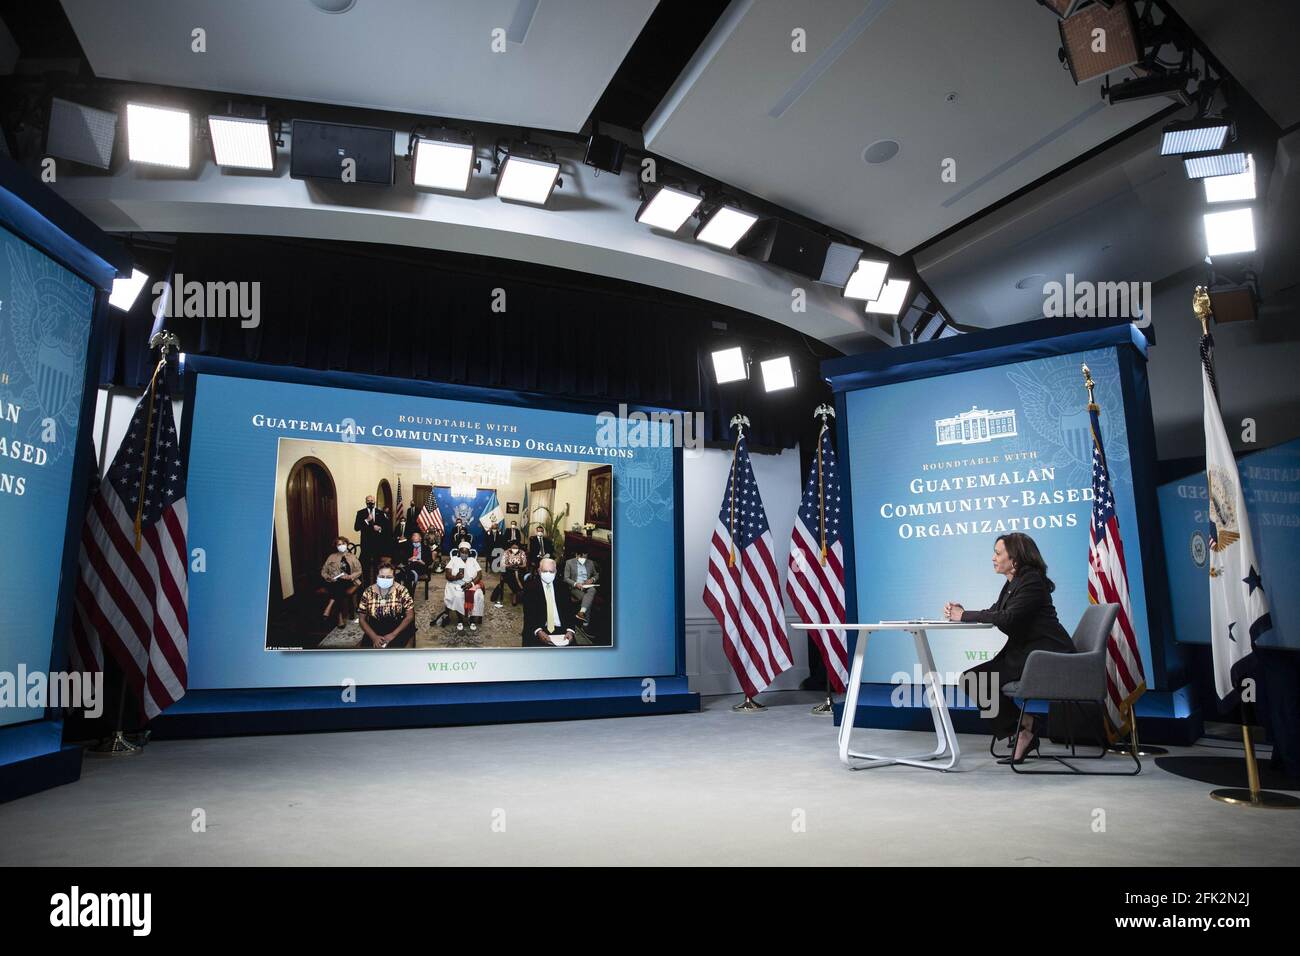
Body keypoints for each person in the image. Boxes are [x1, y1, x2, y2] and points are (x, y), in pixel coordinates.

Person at [946, 533, 1075, 764]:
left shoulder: (1032, 581)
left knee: (975, 680)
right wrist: (963, 613)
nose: (993, 558)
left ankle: (1025, 728)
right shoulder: (1013, 583)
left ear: (1014, 557)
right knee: (972, 679)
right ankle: (1026, 726)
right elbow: (996, 611)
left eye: (998, 553)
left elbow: (1008, 617)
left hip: (1046, 656)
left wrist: (964, 615)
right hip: (1025, 653)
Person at [356, 561, 415, 648]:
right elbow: (362, 619)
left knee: (393, 656)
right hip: (374, 628)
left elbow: (410, 616)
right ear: (376, 576)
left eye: (389, 577)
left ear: (394, 577)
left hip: (397, 627)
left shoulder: (402, 591)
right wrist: (374, 637)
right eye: (382, 576)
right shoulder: (368, 592)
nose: (385, 579)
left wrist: (393, 635)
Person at [521, 557, 577, 647]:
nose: (548, 574)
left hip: (562, 629)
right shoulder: (530, 588)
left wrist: (570, 630)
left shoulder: (562, 587)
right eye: (544, 571)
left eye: (551, 572)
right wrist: (539, 631)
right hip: (538, 627)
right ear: (539, 571)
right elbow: (529, 614)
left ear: (555, 572)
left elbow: (569, 611)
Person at [319, 536, 362, 629]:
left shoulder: (352, 557)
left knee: (339, 585)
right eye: (339, 544)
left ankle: (330, 607)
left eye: (343, 544)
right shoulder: (332, 557)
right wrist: (329, 577)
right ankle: (339, 618)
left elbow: (359, 571)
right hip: (334, 581)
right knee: (338, 586)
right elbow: (323, 571)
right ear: (336, 546)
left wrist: (349, 576)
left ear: (346, 545)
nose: (341, 546)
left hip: (349, 581)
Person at [443, 541, 484, 633]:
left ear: (469, 553)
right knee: (458, 597)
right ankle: (460, 620)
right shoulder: (454, 560)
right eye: (462, 552)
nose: (464, 554)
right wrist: (456, 577)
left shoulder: (473, 560)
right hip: (456, 584)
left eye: (466, 552)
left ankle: (472, 620)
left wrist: (472, 584)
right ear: (459, 552)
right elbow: (447, 575)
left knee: (478, 596)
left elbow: (479, 574)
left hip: (471, 584)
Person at [353, 494, 393, 584]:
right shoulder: (360, 513)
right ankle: (366, 584)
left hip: (378, 544)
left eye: (372, 500)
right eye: (368, 500)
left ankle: (377, 583)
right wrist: (366, 520)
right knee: (365, 565)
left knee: (377, 565)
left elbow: (387, 528)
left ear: (374, 502)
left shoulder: (380, 512)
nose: (370, 502)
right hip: (366, 544)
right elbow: (356, 527)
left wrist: (380, 528)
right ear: (366, 502)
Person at [563, 544, 600, 623]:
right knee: (587, 599)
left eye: (585, 557)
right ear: (577, 555)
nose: (584, 559)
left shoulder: (590, 563)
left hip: (587, 586)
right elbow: (566, 578)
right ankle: (585, 624)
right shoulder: (569, 563)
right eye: (582, 557)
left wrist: (592, 580)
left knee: (592, 590)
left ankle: (581, 613)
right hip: (575, 587)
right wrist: (576, 584)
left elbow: (596, 575)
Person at [492, 538, 528, 607]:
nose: (515, 549)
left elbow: (524, 564)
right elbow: (502, 564)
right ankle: (515, 594)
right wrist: (509, 565)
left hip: (519, 570)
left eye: (516, 548)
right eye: (513, 547)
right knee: (511, 578)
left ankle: (520, 594)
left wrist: (519, 565)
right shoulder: (506, 552)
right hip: (509, 571)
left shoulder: (522, 552)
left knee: (522, 578)